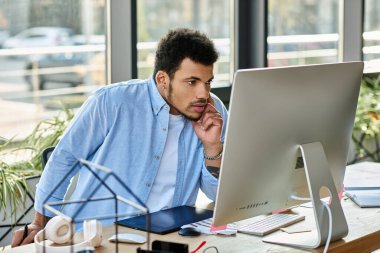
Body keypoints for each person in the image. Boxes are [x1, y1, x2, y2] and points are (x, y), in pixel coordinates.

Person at [11, 28, 228, 247]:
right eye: (192, 82)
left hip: (168, 239)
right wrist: (40, 223)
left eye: (208, 82)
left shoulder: (213, 112)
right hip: (98, 239)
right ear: (163, 79)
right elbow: (63, 160)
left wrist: (212, 146)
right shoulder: (111, 102)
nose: (203, 93)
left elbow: (215, 193)